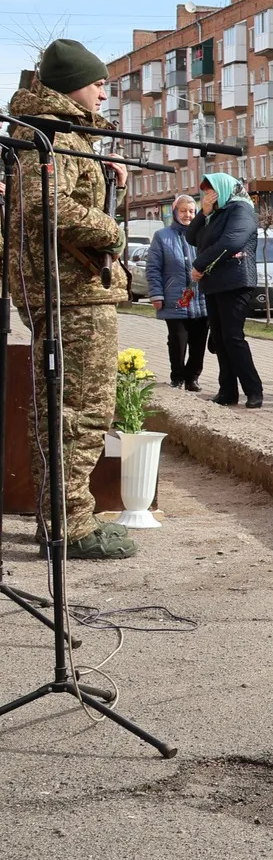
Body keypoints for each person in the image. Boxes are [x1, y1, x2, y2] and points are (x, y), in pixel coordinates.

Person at [11, 40, 137, 558]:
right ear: (71, 86)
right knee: (78, 410)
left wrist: (114, 187)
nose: (105, 93)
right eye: (98, 83)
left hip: (74, 288)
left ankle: (60, 518)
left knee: (69, 407)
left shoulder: (66, 134)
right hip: (71, 294)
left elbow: (71, 201)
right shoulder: (51, 132)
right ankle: (70, 526)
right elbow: (44, 203)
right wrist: (111, 226)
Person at [188, 171, 263, 411]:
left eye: (211, 190)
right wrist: (204, 212)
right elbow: (191, 237)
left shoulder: (241, 210)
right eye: (205, 191)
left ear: (224, 188)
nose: (208, 195)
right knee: (220, 338)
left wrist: (199, 265)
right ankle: (227, 391)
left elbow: (232, 242)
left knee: (232, 336)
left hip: (236, 281)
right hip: (214, 283)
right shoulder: (217, 214)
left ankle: (254, 390)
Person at [146, 194, 207, 392]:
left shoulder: (203, 234)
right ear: (175, 212)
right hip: (175, 299)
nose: (187, 215)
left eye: (191, 211)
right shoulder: (162, 237)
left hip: (202, 299)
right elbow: (153, 268)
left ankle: (193, 378)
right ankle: (177, 376)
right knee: (178, 340)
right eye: (183, 211)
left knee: (198, 344)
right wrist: (156, 294)